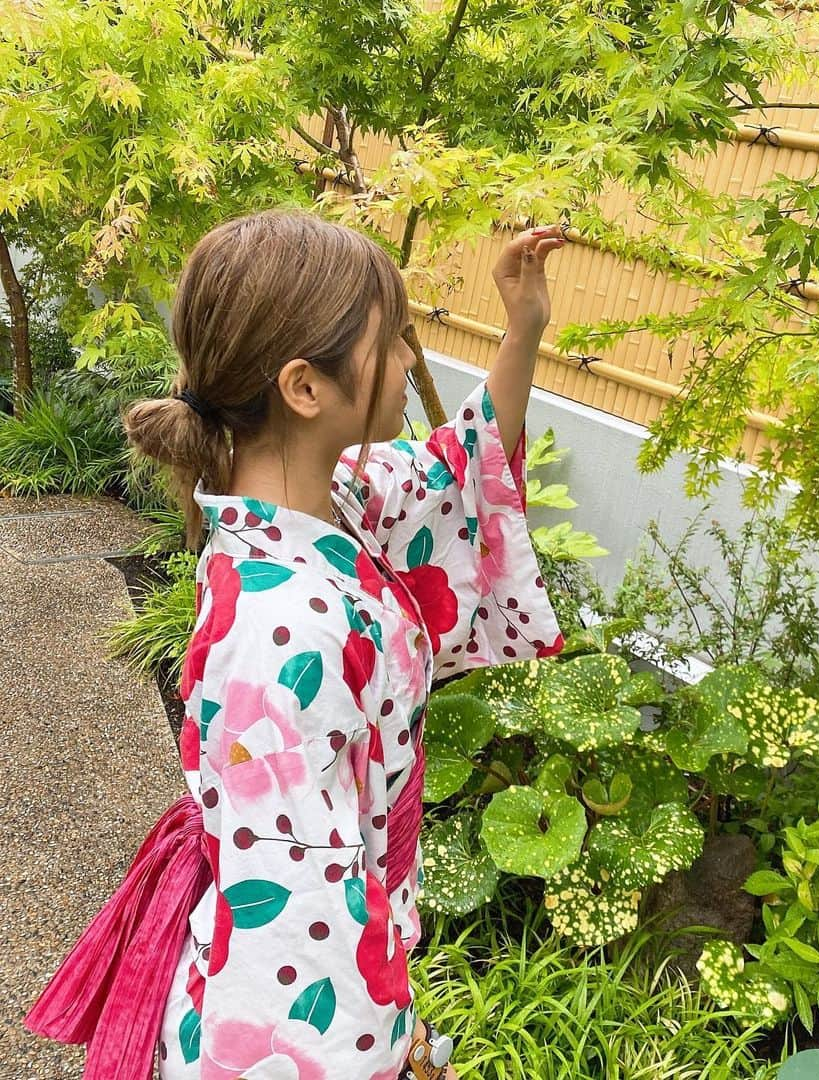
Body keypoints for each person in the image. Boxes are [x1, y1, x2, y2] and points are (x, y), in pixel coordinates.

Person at [24, 208, 567, 1078]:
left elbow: (455, 469)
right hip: (290, 989)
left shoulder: (329, 504)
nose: (407, 361)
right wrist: (394, 1047)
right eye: (391, 340)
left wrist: (524, 327)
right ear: (304, 388)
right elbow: (301, 925)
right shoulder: (282, 635)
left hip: (333, 922)